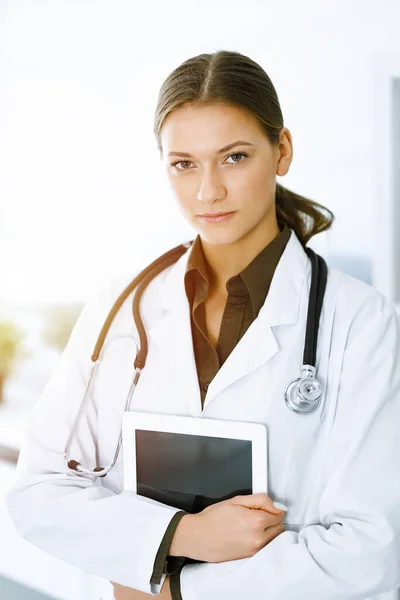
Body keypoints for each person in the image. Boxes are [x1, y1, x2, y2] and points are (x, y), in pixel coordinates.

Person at [5, 50, 400, 600]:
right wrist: (182, 534)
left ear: (281, 150)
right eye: (184, 163)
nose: (207, 191)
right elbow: (39, 491)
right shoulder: (121, 307)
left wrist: (179, 591)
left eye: (234, 157)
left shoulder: (361, 322)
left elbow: (371, 547)